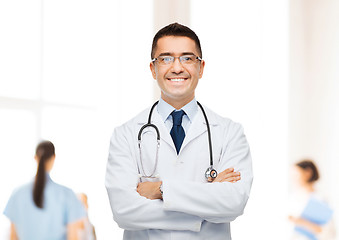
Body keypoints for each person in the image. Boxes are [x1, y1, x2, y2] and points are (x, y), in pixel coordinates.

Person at [105, 22, 253, 240]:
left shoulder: (230, 132)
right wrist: (201, 212)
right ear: (153, 68)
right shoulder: (125, 134)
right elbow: (124, 212)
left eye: (187, 58)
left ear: (201, 68)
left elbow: (233, 202)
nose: (177, 68)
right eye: (165, 58)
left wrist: (161, 189)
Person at [3, 140, 86, 240]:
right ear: (53, 158)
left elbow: (13, 237)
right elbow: (73, 237)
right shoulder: (67, 195)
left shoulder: (17, 194)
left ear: (35, 158)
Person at [288, 159, 336, 240]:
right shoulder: (293, 197)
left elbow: (330, 232)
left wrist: (302, 222)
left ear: (308, 173)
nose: (293, 179)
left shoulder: (320, 199)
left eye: (296, 175)